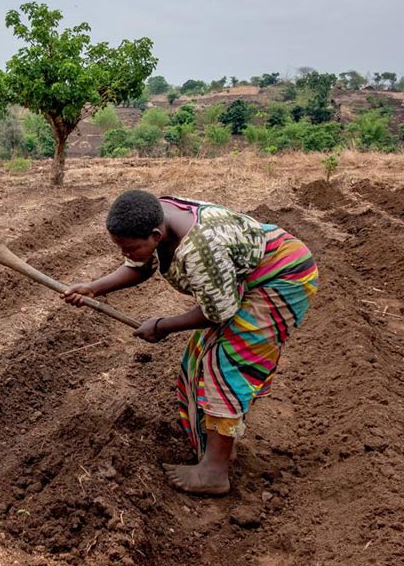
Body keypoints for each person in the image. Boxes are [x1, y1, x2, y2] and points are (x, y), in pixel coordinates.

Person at [63, 190, 318, 495]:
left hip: (282, 277)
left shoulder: (200, 249)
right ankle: (219, 447)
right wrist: (93, 288)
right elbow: (140, 264)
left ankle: (214, 472)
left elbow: (218, 312)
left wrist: (162, 326)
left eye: (130, 247)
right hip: (248, 270)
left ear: (156, 235)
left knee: (226, 366)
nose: (125, 254)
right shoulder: (155, 215)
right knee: (199, 358)